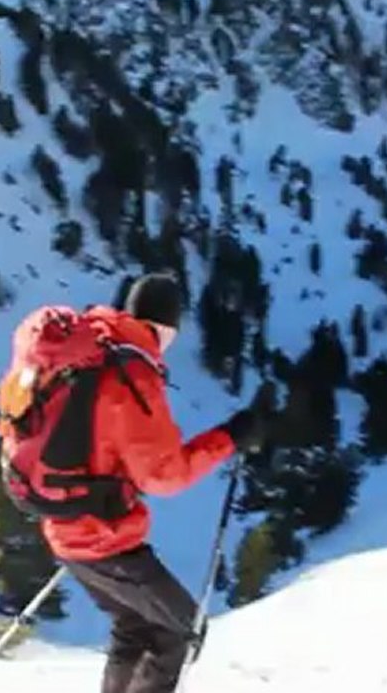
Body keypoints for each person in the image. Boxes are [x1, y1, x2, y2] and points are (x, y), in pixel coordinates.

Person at [40, 273, 267, 693]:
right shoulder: (131, 371)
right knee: (178, 631)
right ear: (166, 327)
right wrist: (230, 438)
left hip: (63, 525)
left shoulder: (88, 353)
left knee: (135, 626)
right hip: (102, 538)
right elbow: (164, 475)